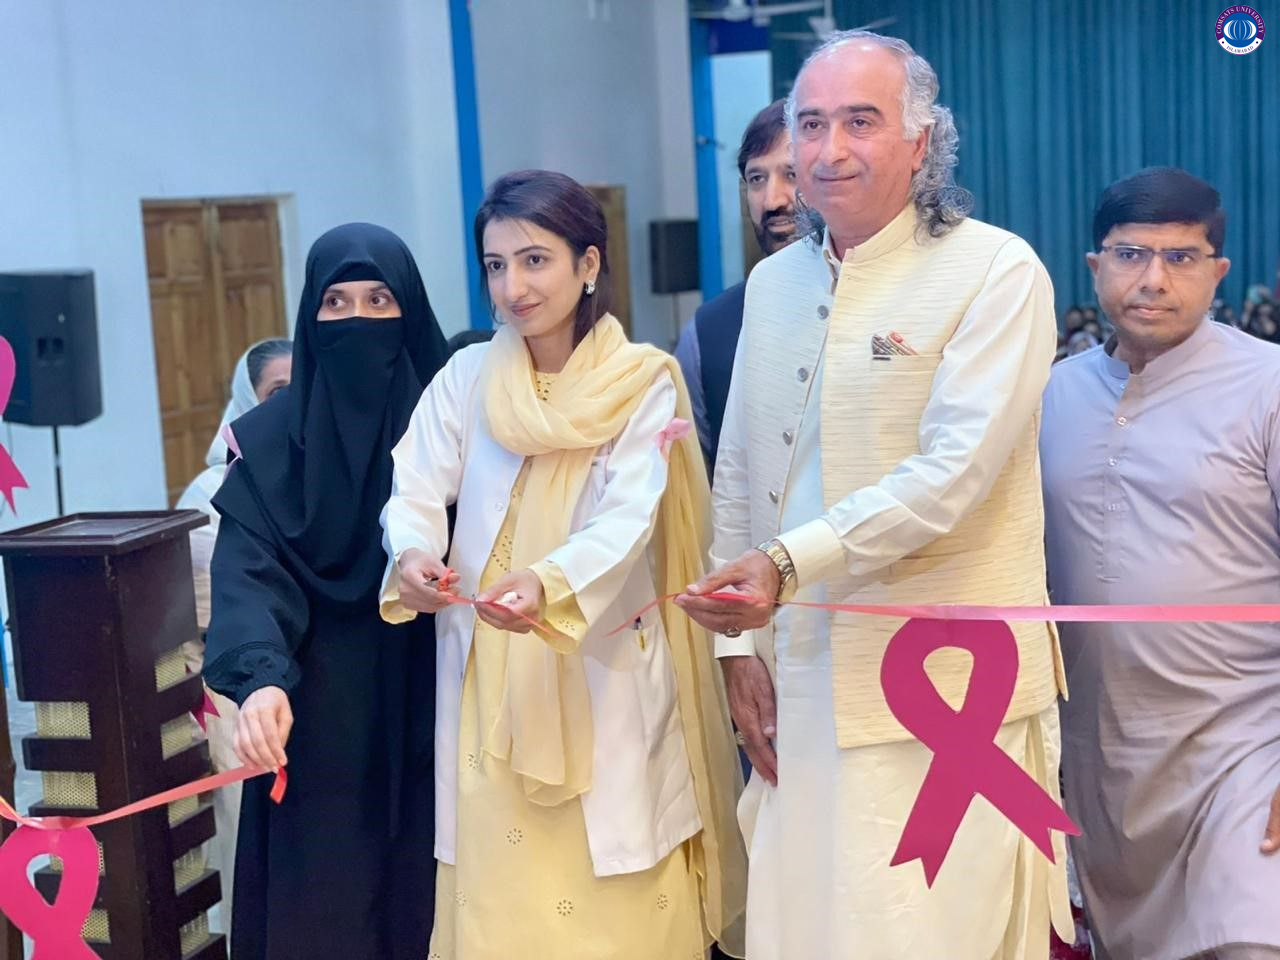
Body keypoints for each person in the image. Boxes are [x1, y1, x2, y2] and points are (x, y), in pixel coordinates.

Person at [676, 30, 1072, 959]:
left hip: (947, 687)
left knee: (933, 931)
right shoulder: (773, 286)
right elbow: (740, 478)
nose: (830, 150)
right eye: (812, 124)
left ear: (921, 140)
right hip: (798, 677)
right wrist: (735, 647)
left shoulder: (996, 270)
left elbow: (952, 477)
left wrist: (785, 563)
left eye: (861, 121)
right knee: (804, 926)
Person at [380, 169, 746, 959]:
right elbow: (414, 484)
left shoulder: (640, 383)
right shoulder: (467, 378)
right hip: (489, 675)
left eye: (535, 260)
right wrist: (411, 553)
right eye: (495, 265)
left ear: (588, 265)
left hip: (598, 662)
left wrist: (548, 583)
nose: (513, 287)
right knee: (500, 901)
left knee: (618, 895)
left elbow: (629, 516)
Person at [1041, 167, 1280, 960]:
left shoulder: (1268, 386)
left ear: (1219, 271)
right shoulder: (1053, 395)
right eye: (1130, 254)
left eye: (1181, 258)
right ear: (1093, 267)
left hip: (1246, 748)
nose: (1152, 279)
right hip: (1105, 762)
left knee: (1249, 940)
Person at [203, 223, 447, 960]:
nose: (357, 320)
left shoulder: (456, 427)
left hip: (445, 706)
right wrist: (259, 680)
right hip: (316, 727)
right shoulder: (268, 446)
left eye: (379, 300)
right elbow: (248, 577)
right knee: (326, 915)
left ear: (410, 309)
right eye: (335, 303)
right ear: (310, 318)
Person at [176, 336, 291, 931]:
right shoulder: (211, 489)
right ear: (247, 401)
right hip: (236, 687)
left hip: (316, 679)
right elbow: (218, 602)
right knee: (250, 833)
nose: (290, 402)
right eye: (276, 391)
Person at [674, 99, 798, 473]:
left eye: (792, 174)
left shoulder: (892, 307)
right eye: (757, 179)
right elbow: (695, 483)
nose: (772, 201)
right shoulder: (707, 333)